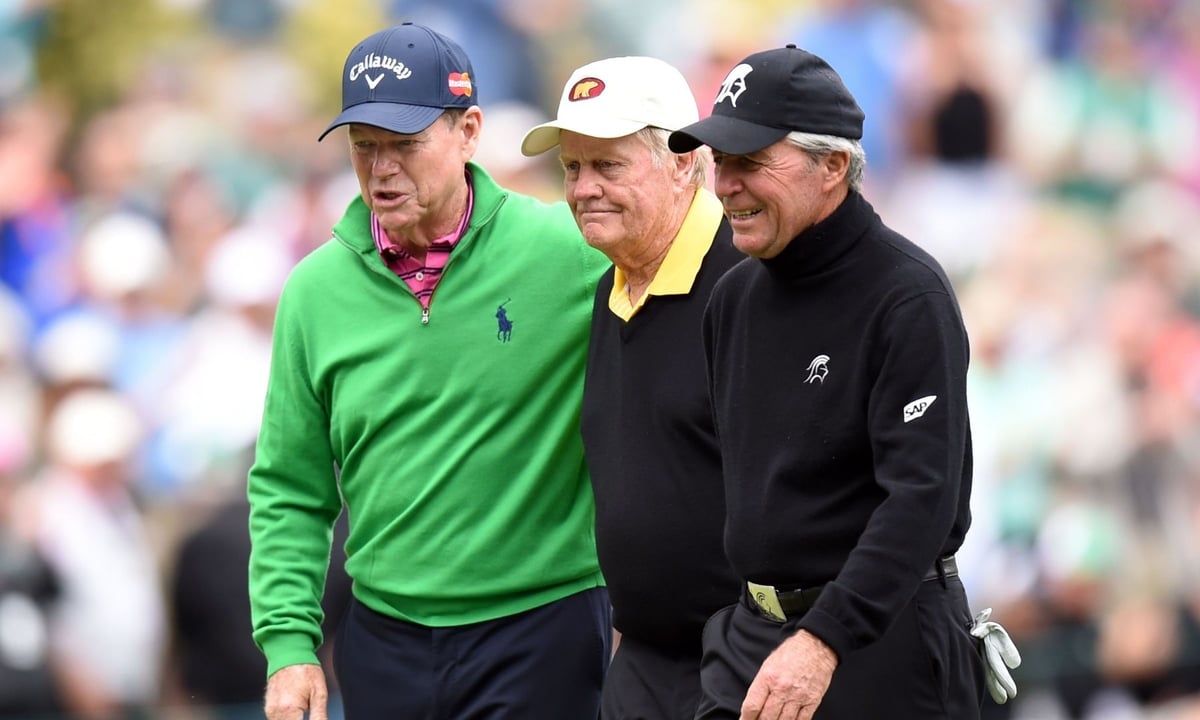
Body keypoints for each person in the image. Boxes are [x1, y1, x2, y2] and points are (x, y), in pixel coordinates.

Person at [247, 22, 612, 720]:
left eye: (405, 145)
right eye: (365, 148)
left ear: (469, 131)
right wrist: (289, 643)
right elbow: (291, 486)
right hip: (385, 638)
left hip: (542, 626)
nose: (382, 168)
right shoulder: (313, 291)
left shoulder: (568, 250)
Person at [667, 45, 1016, 719]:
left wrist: (822, 640)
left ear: (832, 166)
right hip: (752, 642)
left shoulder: (906, 295)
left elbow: (921, 500)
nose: (726, 184)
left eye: (751, 162)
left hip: (876, 646)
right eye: (722, 161)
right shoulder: (732, 299)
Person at [520, 56, 743, 719]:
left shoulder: (747, 283)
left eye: (608, 166)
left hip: (748, 653)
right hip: (644, 659)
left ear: (685, 162)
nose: (583, 188)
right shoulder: (608, 290)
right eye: (572, 168)